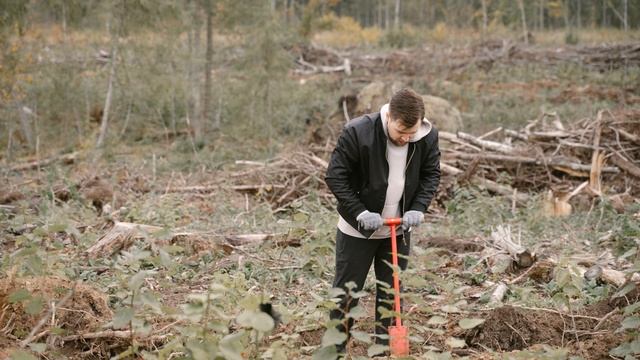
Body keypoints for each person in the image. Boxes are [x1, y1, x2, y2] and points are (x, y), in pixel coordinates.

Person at [324, 87, 440, 354]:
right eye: (401, 132)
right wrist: (360, 212)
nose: (405, 139)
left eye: (411, 134)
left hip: (398, 230)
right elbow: (335, 177)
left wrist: (419, 208)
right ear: (389, 117)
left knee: (391, 294)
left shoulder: (426, 136)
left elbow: (431, 174)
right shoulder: (358, 132)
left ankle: (384, 349)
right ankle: (336, 350)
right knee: (346, 292)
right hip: (357, 231)